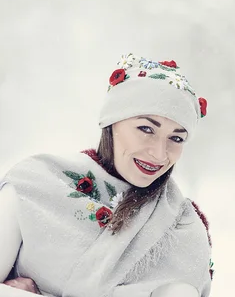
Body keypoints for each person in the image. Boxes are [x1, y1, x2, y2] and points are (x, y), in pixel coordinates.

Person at [0, 53, 213, 297]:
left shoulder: (182, 229)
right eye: (146, 129)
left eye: (176, 138)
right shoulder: (34, 186)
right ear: (111, 122)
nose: (159, 153)